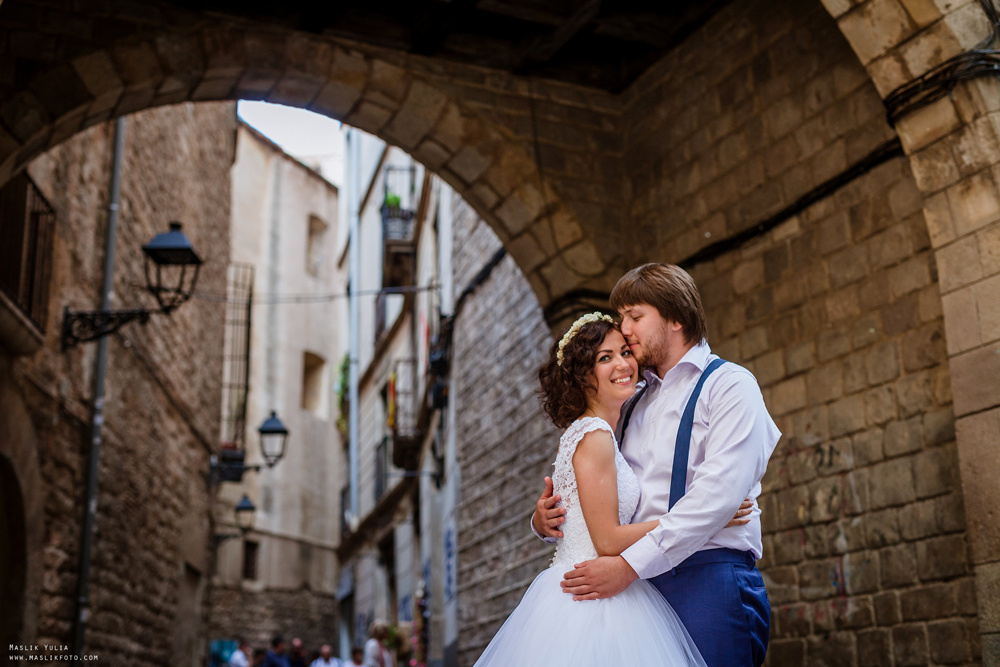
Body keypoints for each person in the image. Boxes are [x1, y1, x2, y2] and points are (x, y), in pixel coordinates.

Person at [533, 263, 780, 667]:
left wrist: (628, 567)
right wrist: (547, 521)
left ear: (676, 318)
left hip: (705, 580)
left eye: (634, 316)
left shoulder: (730, 386)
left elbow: (715, 498)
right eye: (621, 317)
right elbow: (595, 489)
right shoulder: (633, 398)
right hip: (638, 592)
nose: (624, 328)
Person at [475, 312, 727, 665]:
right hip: (592, 598)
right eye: (604, 358)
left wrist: (540, 522)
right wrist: (708, 516)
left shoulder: (602, 431)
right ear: (582, 377)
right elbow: (606, 540)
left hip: (598, 588)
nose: (623, 364)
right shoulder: (594, 436)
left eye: (625, 352)